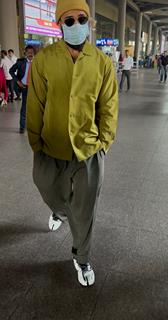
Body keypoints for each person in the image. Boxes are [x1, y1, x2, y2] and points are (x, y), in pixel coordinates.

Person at [26, 0, 118, 287]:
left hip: (88, 150)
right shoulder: (44, 60)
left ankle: (82, 257)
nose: (76, 25)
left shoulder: (102, 62)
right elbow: (36, 102)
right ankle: (59, 210)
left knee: (85, 209)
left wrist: (104, 141)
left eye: (82, 19)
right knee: (47, 188)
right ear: (59, 25)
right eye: (69, 20)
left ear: (89, 22)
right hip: (50, 148)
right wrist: (34, 140)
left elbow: (109, 107)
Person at [10, 45, 35, 133]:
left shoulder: (38, 62)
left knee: (35, 108)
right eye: (28, 52)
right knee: (24, 107)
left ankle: (34, 126)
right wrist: (17, 81)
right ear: (25, 53)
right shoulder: (20, 62)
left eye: (32, 52)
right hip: (25, 87)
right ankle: (22, 127)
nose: (30, 54)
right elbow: (11, 70)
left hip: (35, 88)